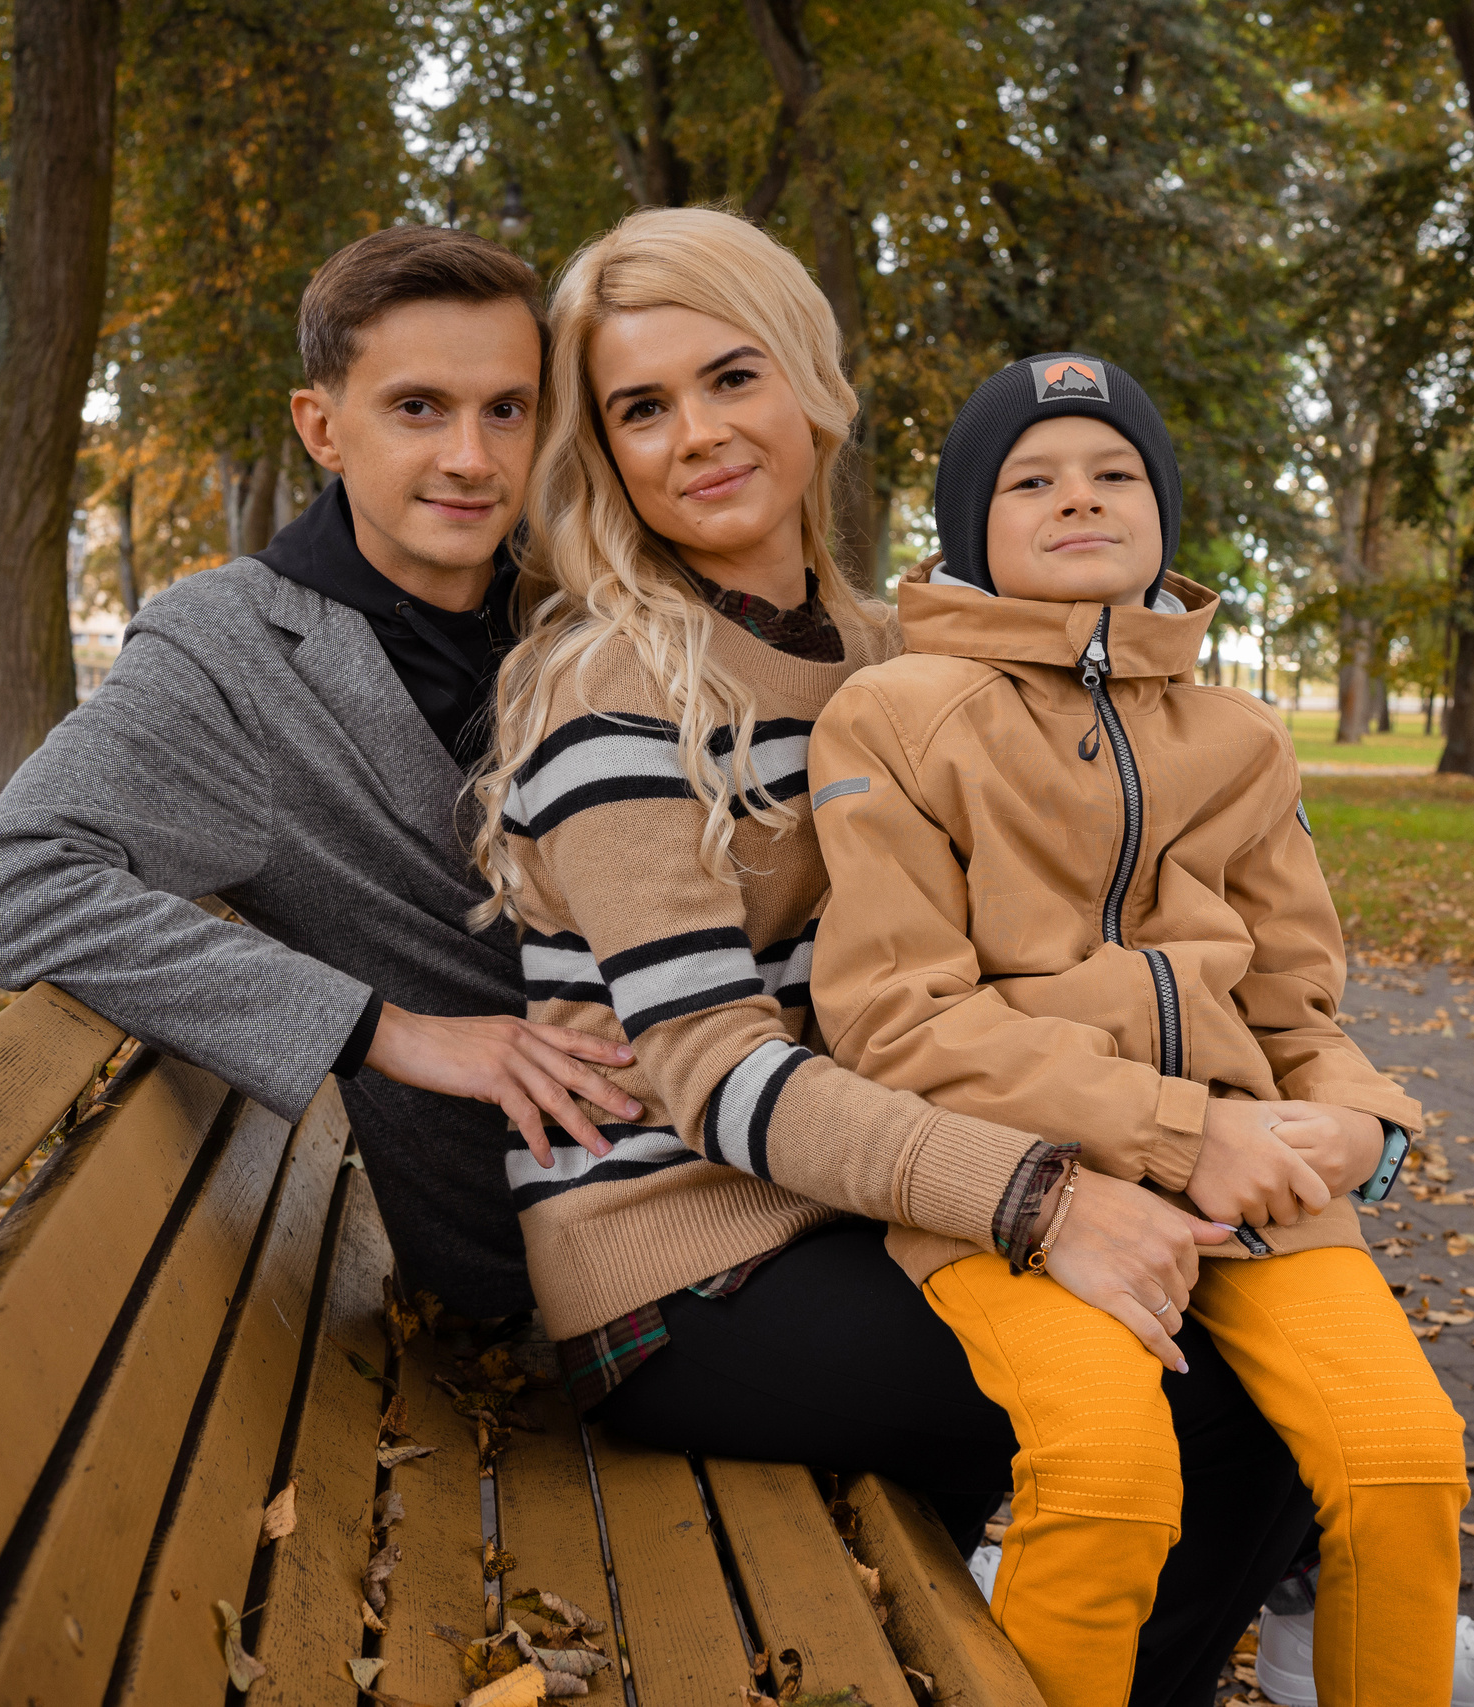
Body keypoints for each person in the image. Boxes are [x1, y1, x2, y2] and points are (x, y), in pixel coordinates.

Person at [468, 206, 1317, 1707]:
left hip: (867, 1202)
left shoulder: (890, 658)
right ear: (605, 452)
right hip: (690, 1262)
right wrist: (1042, 1196)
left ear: (812, 386)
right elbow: (713, 1072)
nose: (698, 436)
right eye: (640, 409)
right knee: (1217, 1428)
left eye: (732, 379)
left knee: (1285, 1381)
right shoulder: (610, 687)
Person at [804, 353, 1474, 1707]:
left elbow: (1294, 1003)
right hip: (1022, 1183)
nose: (1078, 497)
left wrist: (1366, 1118)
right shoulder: (897, 714)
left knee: (1403, 1453)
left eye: (1115, 473)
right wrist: (1179, 1126)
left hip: (1256, 1192)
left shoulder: (1242, 739)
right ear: (966, 530)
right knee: (1107, 1474)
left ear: (1164, 513)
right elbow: (891, 1016)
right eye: (1031, 479)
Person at [0, 227, 643, 1315]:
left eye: (507, 408)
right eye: (418, 408)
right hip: (558, 1257)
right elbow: (5, 893)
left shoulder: (587, 608)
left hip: (763, 1153)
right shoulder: (230, 653)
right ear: (322, 426)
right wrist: (386, 1033)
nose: (471, 456)